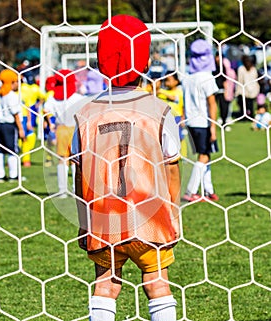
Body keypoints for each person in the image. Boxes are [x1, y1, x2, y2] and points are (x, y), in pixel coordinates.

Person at [72, 14, 181, 321]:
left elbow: (79, 175)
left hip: (104, 218)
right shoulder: (159, 110)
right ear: (144, 60)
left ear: (99, 59)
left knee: (105, 285)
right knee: (157, 282)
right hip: (151, 217)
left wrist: (84, 220)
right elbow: (171, 165)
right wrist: (172, 209)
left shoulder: (85, 115)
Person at [182, 39, 219, 202]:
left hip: (191, 122)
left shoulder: (187, 78)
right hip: (203, 122)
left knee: (206, 155)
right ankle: (190, 191)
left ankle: (208, 190)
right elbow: (212, 104)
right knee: (203, 156)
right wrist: (213, 127)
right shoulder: (207, 78)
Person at [43, 69, 83, 197]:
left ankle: (62, 190)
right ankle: (75, 189)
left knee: (62, 159)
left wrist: (50, 123)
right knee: (75, 160)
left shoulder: (53, 98)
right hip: (75, 129)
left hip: (61, 129)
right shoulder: (77, 97)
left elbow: (45, 110)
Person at [0, 69, 25, 182]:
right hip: (9, 125)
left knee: (0, 150)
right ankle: (13, 175)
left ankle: (0, 175)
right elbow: (15, 114)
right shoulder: (11, 95)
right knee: (12, 149)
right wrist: (21, 129)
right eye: (16, 81)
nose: (18, 84)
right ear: (11, 82)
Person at [157, 72, 187, 157]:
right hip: (166, 118)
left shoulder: (178, 92)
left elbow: (174, 98)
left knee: (180, 136)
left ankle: (183, 154)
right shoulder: (163, 92)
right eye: (165, 80)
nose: (167, 83)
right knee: (167, 137)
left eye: (169, 80)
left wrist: (183, 117)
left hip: (176, 118)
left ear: (176, 81)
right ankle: (168, 153)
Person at [235, 54, 260, 119]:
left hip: (252, 90)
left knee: (251, 104)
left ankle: (251, 116)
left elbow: (255, 79)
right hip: (244, 90)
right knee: (243, 104)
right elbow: (239, 80)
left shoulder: (253, 69)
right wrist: (238, 91)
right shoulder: (241, 69)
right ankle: (244, 116)